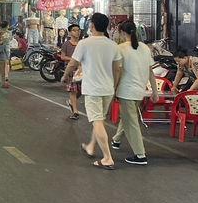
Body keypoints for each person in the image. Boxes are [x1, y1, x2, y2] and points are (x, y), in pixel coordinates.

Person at [61, 13, 122, 170]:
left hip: (93, 89)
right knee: (99, 119)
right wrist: (114, 87)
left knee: (97, 121)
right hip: (108, 89)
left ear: (91, 25)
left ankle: (107, 158)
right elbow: (117, 69)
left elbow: (73, 64)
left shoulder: (84, 43)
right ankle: (91, 146)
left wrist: (65, 75)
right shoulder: (112, 45)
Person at [110, 20, 158, 166]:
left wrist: (114, 89)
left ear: (122, 33)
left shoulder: (120, 48)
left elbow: (117, 70)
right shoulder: (144, 48)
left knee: (131, 121)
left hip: (126, 90)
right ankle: (116, 140)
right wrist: (155, 90)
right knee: (129, 117)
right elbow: (150, 71)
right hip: (140, 90)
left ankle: (140, 155)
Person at [60, 24, 82, 119]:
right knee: (73, 90)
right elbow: (62, 56)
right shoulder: (66, 44)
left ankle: (71, 102)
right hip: (71, 69)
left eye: (78, 30)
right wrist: (73, 60)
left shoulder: (82, 44)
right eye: (74, 30)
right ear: (69, 32)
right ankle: (75, 112)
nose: (77, 32)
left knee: (81, 90)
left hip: (81, 70)